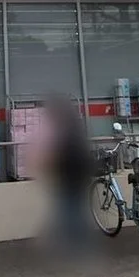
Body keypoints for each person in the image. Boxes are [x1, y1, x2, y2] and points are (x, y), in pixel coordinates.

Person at [42, 95, 94, 249]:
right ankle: (76, 242)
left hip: (70, 177)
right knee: (73, 210)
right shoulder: (75, 128)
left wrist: (51, 164)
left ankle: (78, 244)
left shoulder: (66, 132)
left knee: (70, 211)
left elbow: (63, 154)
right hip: (78, 175)